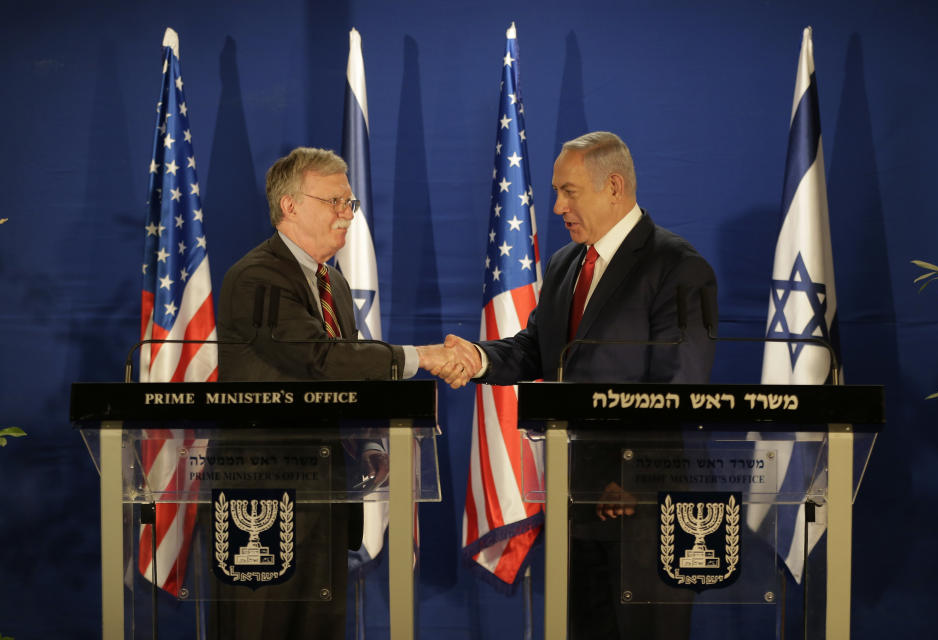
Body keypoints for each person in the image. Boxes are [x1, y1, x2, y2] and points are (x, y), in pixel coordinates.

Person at [443, 131, 718, 639]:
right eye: (555, 192)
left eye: (568, 191)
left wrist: (630, 478)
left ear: (613, 185)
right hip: (576, 495)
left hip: (643, 506)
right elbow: (535, 349)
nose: (556, 206)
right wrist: (477, 358)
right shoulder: (568, 263)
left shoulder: (677, 267)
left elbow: (679, 385)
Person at [212, 147, 475, 639]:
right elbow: (320, 359)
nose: (346, 214)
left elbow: (348, 386)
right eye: (334, 201)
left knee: (321, 627)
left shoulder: (332, 282)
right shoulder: (258, 277)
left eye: (350, 204)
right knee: (261, 628)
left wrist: (372, 443)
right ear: (290, 206)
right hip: (263, 493)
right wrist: (423, 356)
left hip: (324, 487)